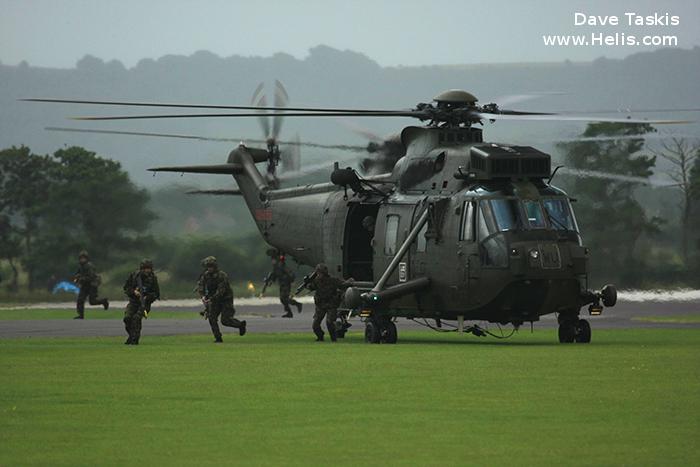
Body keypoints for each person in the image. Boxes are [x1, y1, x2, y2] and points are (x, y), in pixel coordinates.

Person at [197, 256, 247, 343]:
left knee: (225, 320)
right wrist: (203, 296)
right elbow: (201, 286)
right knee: (211, 318)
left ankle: (240, 325)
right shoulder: (206, 275)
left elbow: (221, 291)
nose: (209, 268)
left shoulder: (222, 275)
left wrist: (211, 299)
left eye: (211, 266)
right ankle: (218, 338)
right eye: (208, 266)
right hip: (213, 300)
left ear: (215, 266)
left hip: (225, 299)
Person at [123, 259, 160, 345]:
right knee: (127, 319)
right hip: (133, 302)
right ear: (141, 269)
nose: (147, 270)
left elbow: (156, 294)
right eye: (145, 268)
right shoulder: (134, 276)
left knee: (136, 319)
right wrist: (134, 292)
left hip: (145, 304)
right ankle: (131, 336)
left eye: (149, 268)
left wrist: (148, 297)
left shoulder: (153, 279)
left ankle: (135, 340)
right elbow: (126, 288)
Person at [307, 263, 347, 342]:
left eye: (320, 273)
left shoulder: (332, 280)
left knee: (330, 322)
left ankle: (333, 338)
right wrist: (308, 282)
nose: (319, 275)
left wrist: (349, 282)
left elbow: (342, 284)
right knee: (315, 325)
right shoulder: (316, 281)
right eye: (318, 273)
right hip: (320, 306)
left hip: (331, 305)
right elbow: (310, 287)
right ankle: (320, 337)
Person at [72, 250, 108, 319]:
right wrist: (77, 278)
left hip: (92, 285)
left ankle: (104, 301)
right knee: (80, 300)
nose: (82, 260)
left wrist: (81, 279)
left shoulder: (89, 266)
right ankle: (81, 315)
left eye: (84, 258)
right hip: (85, 285)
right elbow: (77, 274)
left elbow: (91, 277)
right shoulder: (80, 267)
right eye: (81, 258)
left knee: (92, 301)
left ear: (87, 258)